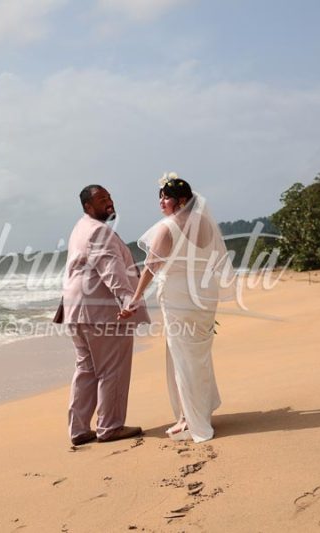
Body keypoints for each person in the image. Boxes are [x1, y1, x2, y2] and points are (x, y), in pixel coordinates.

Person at [119, 173, 232, 443]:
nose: (161, 201)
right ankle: (195, 411)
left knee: (183, 357)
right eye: (160, 196)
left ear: (182, 200)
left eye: (166, 197)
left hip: (179, 297)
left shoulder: (167, 228)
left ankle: (192, 420)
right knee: (197, 355)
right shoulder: (206, 225)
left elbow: (150, 268)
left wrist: (134, 299)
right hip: (204, 295)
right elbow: (214, 260)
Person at [60, 185, 150, 446]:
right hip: (101, 311)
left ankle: (78, 430)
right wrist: (127, 300)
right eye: (102, 200)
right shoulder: (98, 231)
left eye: (110, 198)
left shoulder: (80, 227)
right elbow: (111, 269)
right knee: (112, 368)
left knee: (86, 368)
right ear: (88, 207)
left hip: (76, 310)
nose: (109, 203)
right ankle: (109, 427)